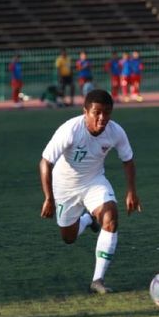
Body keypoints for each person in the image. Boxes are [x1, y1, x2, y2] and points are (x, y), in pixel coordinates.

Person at [39, 89, 142, 294]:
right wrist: (49, 198)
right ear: (85, 111)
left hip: (94, 181)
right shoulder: (70, 130)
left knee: (111, 217)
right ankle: (87, 220)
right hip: (65, 187)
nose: (102, 118)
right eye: (97, 112)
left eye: (107, 112)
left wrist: (131, 191)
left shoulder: (116, 132)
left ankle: (98, 280)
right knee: (68, 238)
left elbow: (128, 160)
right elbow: (45, 162)